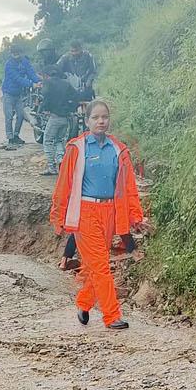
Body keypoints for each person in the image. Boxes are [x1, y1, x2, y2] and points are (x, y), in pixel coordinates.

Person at [51, 100, 145, 330]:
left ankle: (84, 303)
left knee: (96, 264)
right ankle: (112, 316)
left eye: (105, 117)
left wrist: (135, 216)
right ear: (87, 121)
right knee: (101, 265)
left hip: (110, 212)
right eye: (96, 117)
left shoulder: (118, 149)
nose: (101, 121)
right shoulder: (77, 148)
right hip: (85, 212)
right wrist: (58, 215)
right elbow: (64, 184)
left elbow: (129, 187)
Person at [38, 63, 81, 176]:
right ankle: (61, 160)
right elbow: (76, 97)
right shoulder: (66, 84)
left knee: (47, 140)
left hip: (55, 117)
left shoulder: (48, 83)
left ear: (47, 75)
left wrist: (43, 108)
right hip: (65, 118)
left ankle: (51, 167)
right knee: (59, 140)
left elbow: (45, 95)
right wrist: (70, 108)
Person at [1, 44, 40, 147]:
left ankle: (16, 135)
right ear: (11, 54)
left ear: (21, 53)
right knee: (9, 116)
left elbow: (31, 73)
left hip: (19, 94)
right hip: (8, 93)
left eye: (18, 53)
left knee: (21, 115)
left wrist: (39, 82)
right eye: (14, 54)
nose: (16, 55)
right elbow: (17, 78)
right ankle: (10, 138)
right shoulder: (8, 65)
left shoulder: (25, 62)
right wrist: (32, 84)